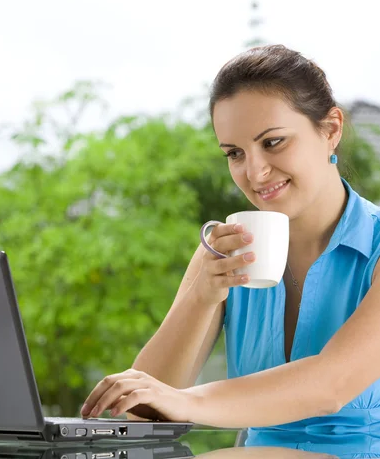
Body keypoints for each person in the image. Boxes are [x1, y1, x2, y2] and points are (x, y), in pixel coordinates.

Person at [80, 44, 380, 441]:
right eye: (235, 153)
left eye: (273, 142)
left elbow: (331, 385)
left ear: (331, 130)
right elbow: (142, 415)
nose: (254, 172)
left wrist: (189, 403)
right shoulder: (223, 253)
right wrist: (201, 297)